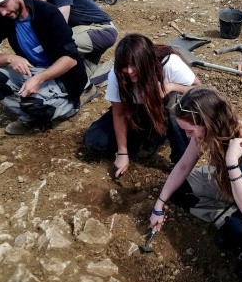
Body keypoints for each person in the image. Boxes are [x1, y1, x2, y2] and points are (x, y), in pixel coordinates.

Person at [150, 86, 242, 282]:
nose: (188, 136)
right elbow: (184, 165)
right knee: (178, 190)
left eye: (189, 131)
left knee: (241, 228)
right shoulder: (206, 132)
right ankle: (227, 217)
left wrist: (231, 162)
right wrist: (159, 205)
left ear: (208, 123)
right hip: (233, 181)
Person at [0, 0, 88, 136]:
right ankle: (30, 116)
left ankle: (69, 106)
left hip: (63, 76)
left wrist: (38, 79)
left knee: (33, 103)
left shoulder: (48, 13)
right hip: (34, 71)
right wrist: (9, 58)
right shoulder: (2, 18)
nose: (2, 12)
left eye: (3, 5)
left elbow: (70, 59)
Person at [83, 33, 199, 176]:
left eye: (134, 65)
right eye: (125, 66)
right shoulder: (118, 74)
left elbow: (199, 89)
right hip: (136, 111)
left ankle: (180, 159)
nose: (129, 71)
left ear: (146, 61)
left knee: (174, 103)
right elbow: (119, 113)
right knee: (94, 140)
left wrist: (171, 86)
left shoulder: (169, 63)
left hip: (163, 110)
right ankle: (148, 139)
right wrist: (122, 152)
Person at [29, 0, 118, 83]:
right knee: (79, 79)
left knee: (57, 44)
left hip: (102, 31)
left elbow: (60, 26)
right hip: (88, 34)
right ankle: (115, 71)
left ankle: (120, 68)